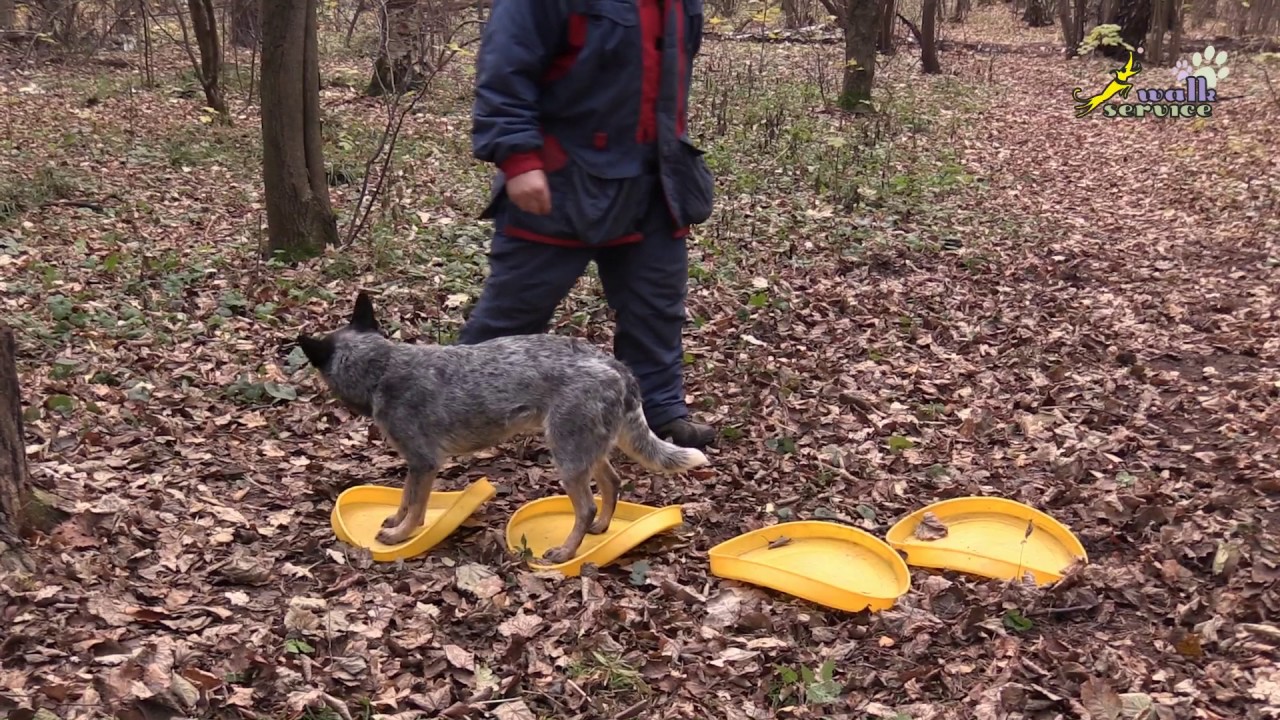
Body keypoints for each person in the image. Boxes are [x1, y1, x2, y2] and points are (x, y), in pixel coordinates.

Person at [456, 0, 718, 449]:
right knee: (513, 314)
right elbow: (506, 66)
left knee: (656, 308)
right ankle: (451, 412)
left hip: (655, 184)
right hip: (562, 183)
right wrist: (518, 159)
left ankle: (658, 413)